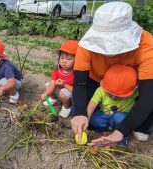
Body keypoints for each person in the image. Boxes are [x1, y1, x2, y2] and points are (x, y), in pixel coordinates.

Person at [71, 2, 153, 147]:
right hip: (98, 82)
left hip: (130, 88)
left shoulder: (146, 45)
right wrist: (79, 112)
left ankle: (141, 125)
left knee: (144, 116)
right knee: (82, 115)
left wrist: (121, 131)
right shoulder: (86, 46)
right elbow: (80, 83)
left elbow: (148, 95)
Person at [87, 65, 138, 146]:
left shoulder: (135, 92)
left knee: (119, 117)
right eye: (110, 94)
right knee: (94, 119)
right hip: (105, 115)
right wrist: (87, 119)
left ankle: (123, 136)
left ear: (134, 89)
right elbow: (91, 105)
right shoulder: (100, 90)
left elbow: (146, 97)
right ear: (101, 83)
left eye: (119, 96)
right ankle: (106, 130)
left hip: (122, 119)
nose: (114, 97)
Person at [41, 40, 78, 118]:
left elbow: (76, 91)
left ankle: (67, 107)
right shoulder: (57, 70)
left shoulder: (76, 73)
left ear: (76, 60)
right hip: (61, 91)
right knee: (47, 85)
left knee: (62, 93)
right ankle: (55, 99)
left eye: (69, 59)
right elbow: (52, 84)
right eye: (62, 58)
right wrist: (46, 94)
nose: (64, 61)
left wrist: (64, 84)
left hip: (70, 94)